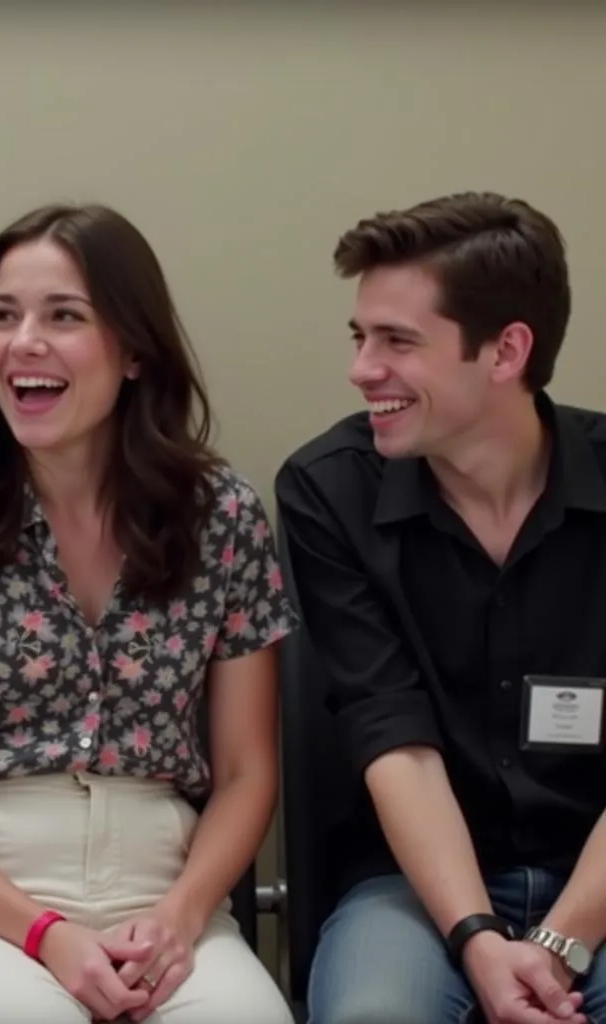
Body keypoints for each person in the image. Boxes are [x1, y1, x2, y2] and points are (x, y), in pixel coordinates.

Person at [0, 202, 297, 1023]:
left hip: (166, 889)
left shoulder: (221, 515)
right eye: (3, 317)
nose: (24, 343)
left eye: (64, 317)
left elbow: (245, 774)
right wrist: (45, 933)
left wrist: (183, 915)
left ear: (132, 350)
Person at [275, 191, 606, 1024]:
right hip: (414, 889)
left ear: (505, 351)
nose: (361, 369)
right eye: (361, 337)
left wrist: (563, 940)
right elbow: (393, 734)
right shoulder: (329, 492)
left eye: (398, 341)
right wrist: (478, 939)